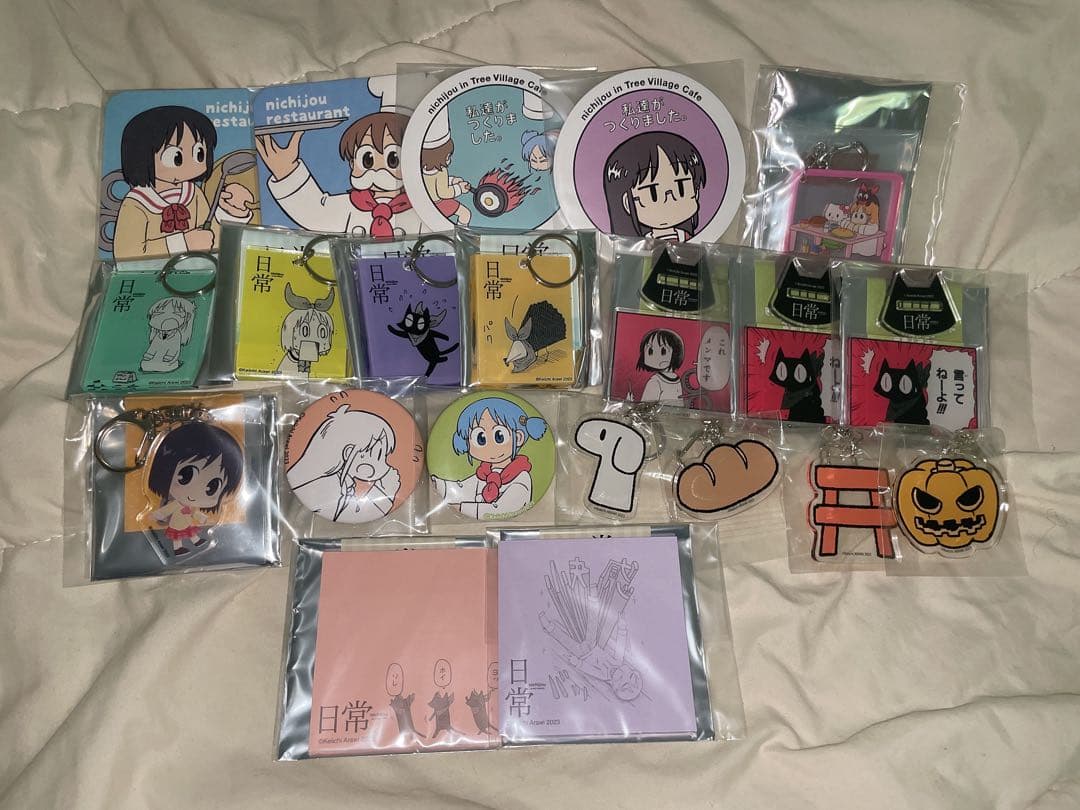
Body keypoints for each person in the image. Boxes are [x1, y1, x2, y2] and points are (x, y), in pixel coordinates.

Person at [114, 106, 253, 259]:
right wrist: (184, 243)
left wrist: (231, 211)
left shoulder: (193, 194)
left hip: (199, 268)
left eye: (199, 153)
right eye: (176, 157)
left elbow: (209, 234)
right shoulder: (136, 203)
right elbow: (125, 254)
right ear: (141, 156)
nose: (191, 165)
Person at [255, 110, 421, 236]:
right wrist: (287, 172)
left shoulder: (421, 209)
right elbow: (314, 212)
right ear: (352, 163)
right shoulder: (351, 205)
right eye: (367, 160)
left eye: (392, 160)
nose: (377, 169)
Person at [431, 397, 548, 519]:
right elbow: (463, 487)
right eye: (481, 439)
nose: (490, 447)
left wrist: (461, 507)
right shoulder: (484, 473)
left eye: (499, 436)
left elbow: (503, 508)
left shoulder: (521, 478)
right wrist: (438, 483)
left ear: (518, 438)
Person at [146, 421, 244, 556]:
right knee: (178, 537)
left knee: (191, 531)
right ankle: (178, 548)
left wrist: (203, 518)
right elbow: (166, 510)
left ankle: (197, 541)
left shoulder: (190, 507)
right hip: (176, 524)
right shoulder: (175, 504)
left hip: (186, 522)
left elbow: (194, 514)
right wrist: (156, 515)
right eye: (186, 475)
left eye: (212, 487)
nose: (194, 493)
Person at [603, 131, 706, 242]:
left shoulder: (687, 237)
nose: (669, 199)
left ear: (695, 192)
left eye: (681, 188)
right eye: (653, 193)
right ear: (628, 203)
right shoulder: (642, 243)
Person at [637, 328, 685, 403]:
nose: (655, 356)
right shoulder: (676, 379)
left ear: (675, 353)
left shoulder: (655, 381)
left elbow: (645, 405)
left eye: (663, 351)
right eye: (650, 351)